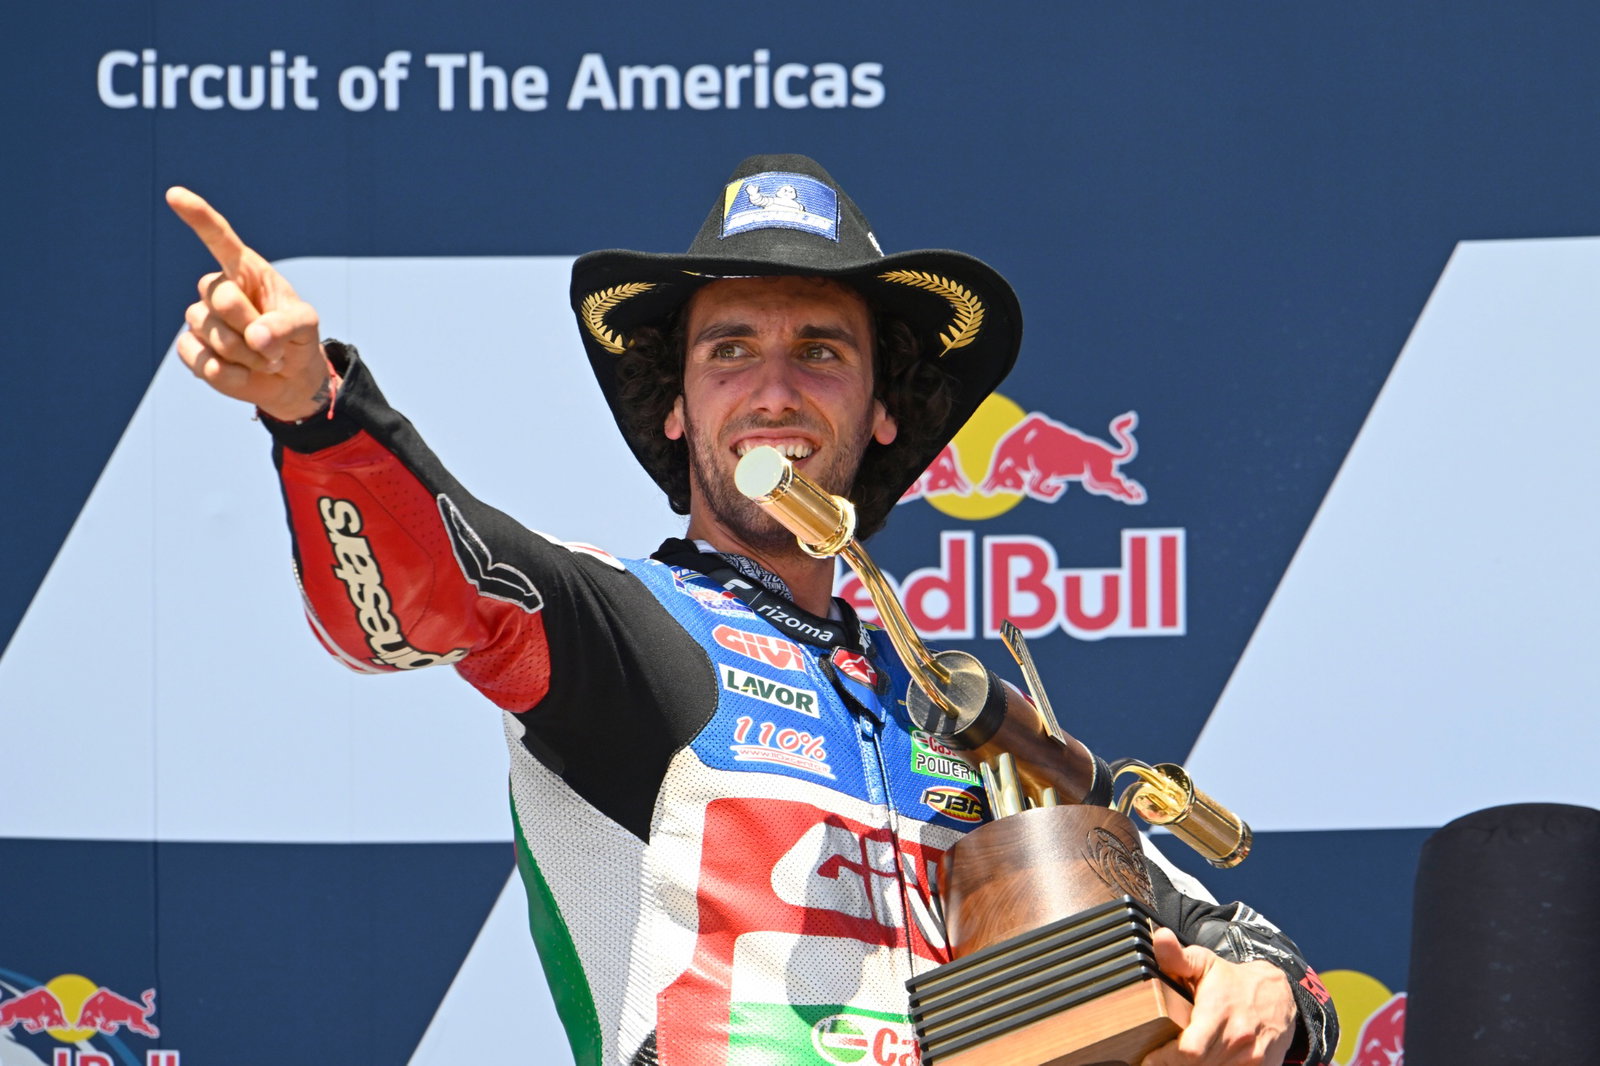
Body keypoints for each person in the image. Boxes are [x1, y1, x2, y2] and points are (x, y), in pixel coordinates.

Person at [166, 154, 1336, 1066]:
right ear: (676, 406)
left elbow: (1242, 947)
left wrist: (1262, 995)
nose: (774, 390)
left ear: (883, 408)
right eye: (730, 349)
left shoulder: (956, 711)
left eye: (820, 350)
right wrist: (316, 411)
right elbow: (423, 596)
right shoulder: (623, 626)